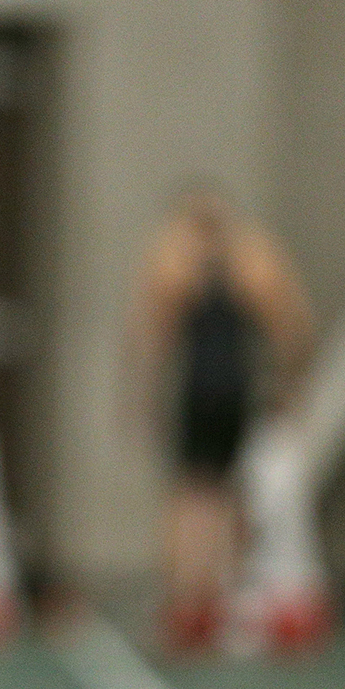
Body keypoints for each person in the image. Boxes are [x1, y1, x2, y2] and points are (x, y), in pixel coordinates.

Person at [127, 187, 319, 653]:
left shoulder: (176, 259)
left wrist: (143, 398)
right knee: (224, 497)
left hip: (203, 391)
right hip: (234, 389)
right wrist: (285, 383)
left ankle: (193, 601)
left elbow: (150, 333)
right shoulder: (252, 260)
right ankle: (212, 599)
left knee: (196, 497)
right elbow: (293, 326)